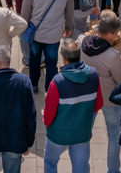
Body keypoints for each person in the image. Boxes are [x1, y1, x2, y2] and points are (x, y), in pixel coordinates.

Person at [43, 39, 103, 173]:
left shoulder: (57, 82)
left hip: (58, 135)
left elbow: (49, 113)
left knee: (50, 163)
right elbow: (99, 103)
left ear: (64, 59)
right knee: (80, 168)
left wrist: (47, 124)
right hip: (82, 133)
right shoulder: (93, 75)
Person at [79, 15, 121, 173]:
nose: (119, 35)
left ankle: (83, 167)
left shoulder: (81, 42)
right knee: (113, 134)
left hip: (87, 96)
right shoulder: (112, 55)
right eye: (117, 33)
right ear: (110, 34)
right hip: (109, 99)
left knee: (84, 134)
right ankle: (113, 169)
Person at [20, 0, 74, 91]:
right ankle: (50, 88)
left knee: (34, 60)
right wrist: (68, 28)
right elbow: (69, 13)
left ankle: (33, 84)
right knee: (51, 63)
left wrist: (24, 27)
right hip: (54, 36)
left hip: (36, 35)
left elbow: (25, 12)